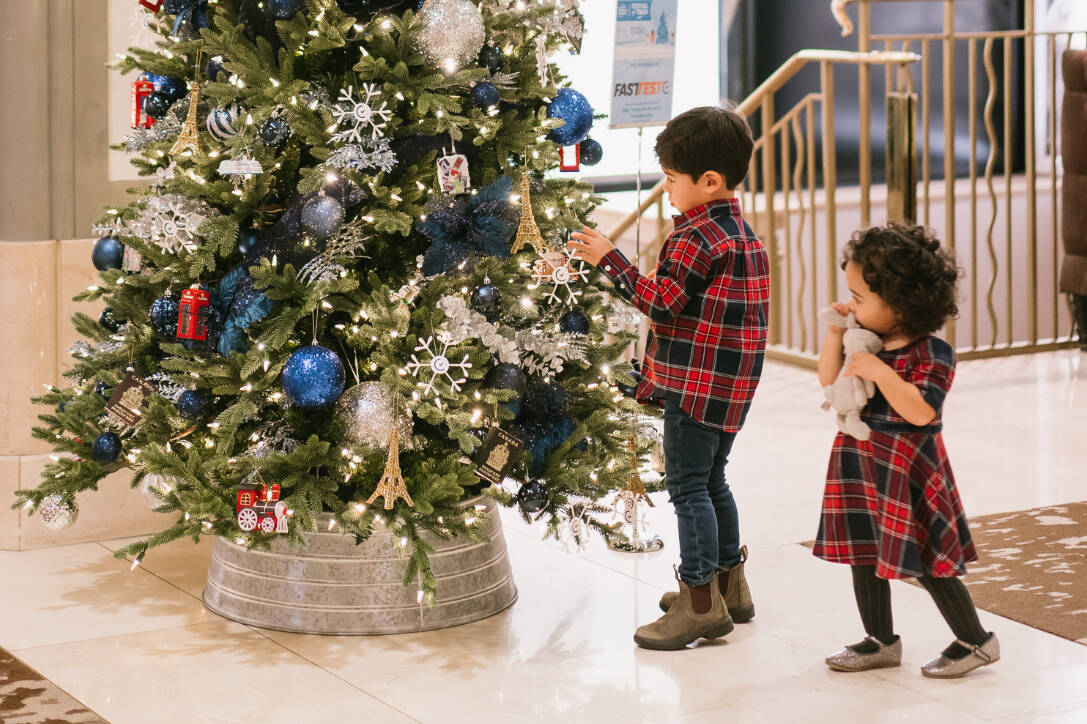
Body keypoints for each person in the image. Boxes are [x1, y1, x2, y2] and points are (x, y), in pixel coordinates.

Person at [568, 105, 769, 650]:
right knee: (713, 480)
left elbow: (659, 303)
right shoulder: (743, 235)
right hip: (733, 386)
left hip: (695, 387)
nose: (668, 188)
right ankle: (732, 583)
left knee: (686, 487)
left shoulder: (694, 238)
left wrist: (610, 259)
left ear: (709, 182)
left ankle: (699, 601)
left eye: (673, 179)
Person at [814, 223, 999, 678]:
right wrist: (838, 333)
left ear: (900, 303)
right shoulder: (866, 340)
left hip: (908, 470)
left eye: (860, 297)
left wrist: (880, 371)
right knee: (864, 551)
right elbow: (827, 379)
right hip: (861, 462)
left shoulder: (931, 353)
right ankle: (880, 639)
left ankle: (977, 640)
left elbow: (920, 411)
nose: (852, 303)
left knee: (929, 560)